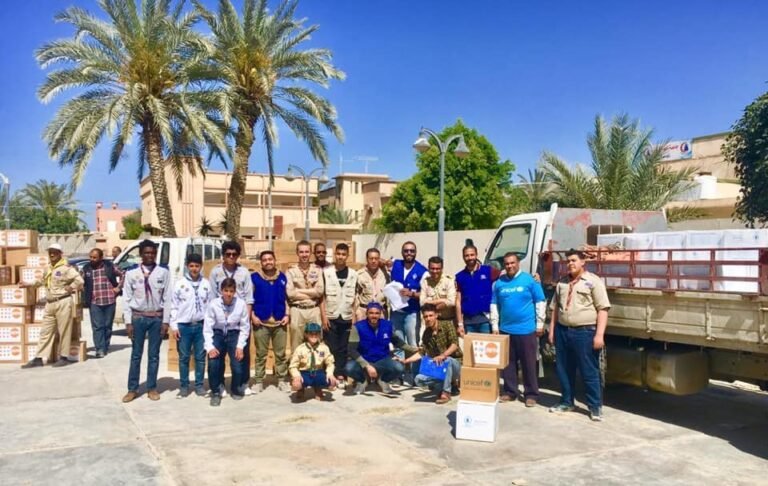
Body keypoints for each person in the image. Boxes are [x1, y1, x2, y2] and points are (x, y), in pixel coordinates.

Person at [548, 249, 611, 421]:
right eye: (568, 261)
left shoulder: (593, 282)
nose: (570, 263)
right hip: (563, 331)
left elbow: (603, 309)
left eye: (574, 260)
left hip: (584, 332)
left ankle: (595, 407)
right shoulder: (562, 283)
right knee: (564, 369)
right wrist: (552, 330)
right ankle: (567, 401)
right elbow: (555, 309)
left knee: (589, 371)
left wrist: (599, 335)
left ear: (583, 262)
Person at [491, 252, 546, 407]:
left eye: (512, 263)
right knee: (508, 365)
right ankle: (510, 392)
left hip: (526, 330)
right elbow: (494, 304)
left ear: (518, 263)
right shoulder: (499, 283)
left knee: (529, 364)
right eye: (507, 263)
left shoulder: (530, 280)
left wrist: (540, 324)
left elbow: (540, 301)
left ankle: (531, 394)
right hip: (505, 330)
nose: (510, 266)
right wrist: (495, 326)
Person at [121, 240, 171, 402]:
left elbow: (168, 297)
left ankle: (152, 388)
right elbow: (126, 299)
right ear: (141, 254)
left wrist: (166, 321)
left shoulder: (163, 273)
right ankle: (132, 389)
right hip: (138, 317)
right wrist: (128, 322)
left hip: (156, 318)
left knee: (154, 355)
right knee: (136, 355)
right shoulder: (131, 274)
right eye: (146, 253)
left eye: (152, 253)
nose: (149, 255)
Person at [20, 243, 84, 369]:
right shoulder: (49, 268)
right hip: (50, 303)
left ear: (60, 254)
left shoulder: (66, 268)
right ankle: (39, 357)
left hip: (63, 301)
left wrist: (70, 287)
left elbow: (80, 280)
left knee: (64, 330)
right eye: (50, 252)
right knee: (45, 330)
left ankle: (64, 357)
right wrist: (28, 284)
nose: (52, 254)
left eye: (55, 252)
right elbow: (42, 281)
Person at [209, 240, 254, 396]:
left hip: (240, 317)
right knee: (219, 356)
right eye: (228, 254)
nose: (231, 257)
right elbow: (212, 296)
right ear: (223, 255)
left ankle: (242, 383)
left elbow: (249, 297)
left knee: (243, 354)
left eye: (234, 254)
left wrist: (246, 320)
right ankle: (220, 385)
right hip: (221, 321)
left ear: (238, 255)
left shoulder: (244, 272)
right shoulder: (216, 272)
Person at [397, 304, 462, 405]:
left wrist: (443, 355)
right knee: (418, 379)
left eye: (430, 315)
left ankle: (446, 393)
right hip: (439, 366)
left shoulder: (447, 325)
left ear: (436, 315)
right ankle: (448, 385)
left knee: (447, 360)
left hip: (454, 364)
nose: (428, 319)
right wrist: (406, 361)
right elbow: (422, 352)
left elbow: (455, 344)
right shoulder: (427, 333)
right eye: (425, 316)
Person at [170, 253, 213, 398]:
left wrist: (210, 325)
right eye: (191, 266)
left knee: (201, 357)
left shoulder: (206, 284)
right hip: (184, 326)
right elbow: (174, 307)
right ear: (187, 266)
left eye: (197, 266)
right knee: (184, 357)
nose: (194, 269)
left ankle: (199, 386)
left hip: (201, 325)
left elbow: (210, 305)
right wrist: (174, 326)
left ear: (201, 266)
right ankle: (183, 386)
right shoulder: (180, 284)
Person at [205, 278, 251, 407]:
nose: (228, 294)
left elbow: (244, 326)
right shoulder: (214, 304)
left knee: (237, 363)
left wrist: (240, 346)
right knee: (214, 363)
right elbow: (207, 327)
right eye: (226, 291)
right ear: (221, 291)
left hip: (233, 333)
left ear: (235, 292)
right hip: (218, 333)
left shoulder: (240, 304)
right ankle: (216, 391)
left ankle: (236, 388)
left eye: (231, 291)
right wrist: (210, 347)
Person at [345, 302, 407, 396]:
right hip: (364, 359)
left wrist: (413, 349)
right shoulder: (357, 327)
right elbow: (351, 350)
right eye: (371, 313)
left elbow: (397, 342)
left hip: (382, 359)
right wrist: (366, 365)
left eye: (377, 313)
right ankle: (362, 380)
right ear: (367, 314)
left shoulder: (388, 325)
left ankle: (382, 380)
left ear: (381, 314)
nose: (374, 316)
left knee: (399, 368)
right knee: (348, 368)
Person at [251, 250, 291, 393]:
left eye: (270, 259)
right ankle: (259, 381)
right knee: (261, 354)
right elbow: (249, 299)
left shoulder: (282, 277)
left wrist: (287, 315)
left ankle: (281, 380)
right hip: (261, 322)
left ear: (275, 260)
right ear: (261, 262)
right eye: (265, 260)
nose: (268, 262)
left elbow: (287, 298)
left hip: (280, 322)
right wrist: (252, 316)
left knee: (280, 354)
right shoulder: (254, 278)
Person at [320, 243, 357, 387]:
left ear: (347, 256)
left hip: (346, 316)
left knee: (343, 347)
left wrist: (353, 316)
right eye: (338, 254)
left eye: (343, 254)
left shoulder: (353, 274)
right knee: (331, 347)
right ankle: (330, 375)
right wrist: (324, 317)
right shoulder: (326, 272)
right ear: (335, 254)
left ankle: (340, 374)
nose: (341, 257)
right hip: (331, 315)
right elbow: (322, 296)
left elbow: (355, 297)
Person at [389, 241, 427, 380]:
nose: (409, 253)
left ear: (415, 252)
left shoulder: (422, 271)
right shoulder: (395, 264)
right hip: (396, 312)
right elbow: (381, 262)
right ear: (402, 252)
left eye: (412, 251)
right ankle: (398, 374)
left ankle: (414, 374)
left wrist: (411, 293)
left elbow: (425, 294)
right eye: (406, 251)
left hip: (411, 313)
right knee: (397, 344)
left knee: (412, 344)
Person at [81, 248, 121, 358]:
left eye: (95, 257)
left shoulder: (110, 266)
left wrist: (118, 288)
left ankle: (105, 346)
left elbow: (124, 274)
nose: (92, 259)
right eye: (90, 257)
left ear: (101, 258)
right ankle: (99, 349)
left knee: (107, 326)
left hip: (110, 300)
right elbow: (80, 280)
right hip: (94, 302)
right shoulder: (86, 268)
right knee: (97, 326)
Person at [285, 240, 324, 353]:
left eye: (307, 252)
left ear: (311, 253)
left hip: (314, 310)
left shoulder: (317, 270)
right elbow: (290, 294)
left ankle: (315, 369)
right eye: (301, 252)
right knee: (296, 345)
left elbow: (320, 291)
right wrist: (311, 293)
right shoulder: (291, 271)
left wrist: (299, 291)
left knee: (316, 343)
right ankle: (296, 369)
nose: (304, 255)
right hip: (297, 310)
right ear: (297, 253)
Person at [288, 322, 337, 401]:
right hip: (305, 373)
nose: (314, 336)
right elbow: (293, 366)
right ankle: (301, 390)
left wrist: (330, 374)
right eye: (311, 334)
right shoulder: (300, 349)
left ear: (319, 335)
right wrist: (296, 376)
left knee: (333, 383)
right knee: (296, 384)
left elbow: (330, 362)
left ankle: (318, 389)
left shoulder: (324, 348)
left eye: (316, 334)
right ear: (306, 335)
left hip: (318, 372)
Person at [455, 244, 497, 335]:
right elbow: (458, 301)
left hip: (485, 320)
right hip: (468, 322)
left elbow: (504, 274)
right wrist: (460, 324)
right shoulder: (459, 276)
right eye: (467, 255)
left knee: (486, 349)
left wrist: (535, 276)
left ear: (476, 255)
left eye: (472, 255)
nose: (470, 258)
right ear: (463, 257)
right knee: (471, 349)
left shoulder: (488, 271)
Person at [420, 256, 457, 327]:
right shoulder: (425, 282)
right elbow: (422, 302)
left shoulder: (449, 281)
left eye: (437, 269)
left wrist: (431, 303)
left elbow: (452, 302)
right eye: (432, 268)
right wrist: (443, 300)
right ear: (428, 268)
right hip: (431, 322)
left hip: (448, 321)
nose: (435, 271)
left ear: (442, 269)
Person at [355, 248, 388, 322]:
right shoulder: (359, 274)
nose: (374, 261)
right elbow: (355, 295)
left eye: (376, 258)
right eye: (371, 258)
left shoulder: (385, 274)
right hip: (364, 313)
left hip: (381, 313)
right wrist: (357, 312)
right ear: (367, 259)